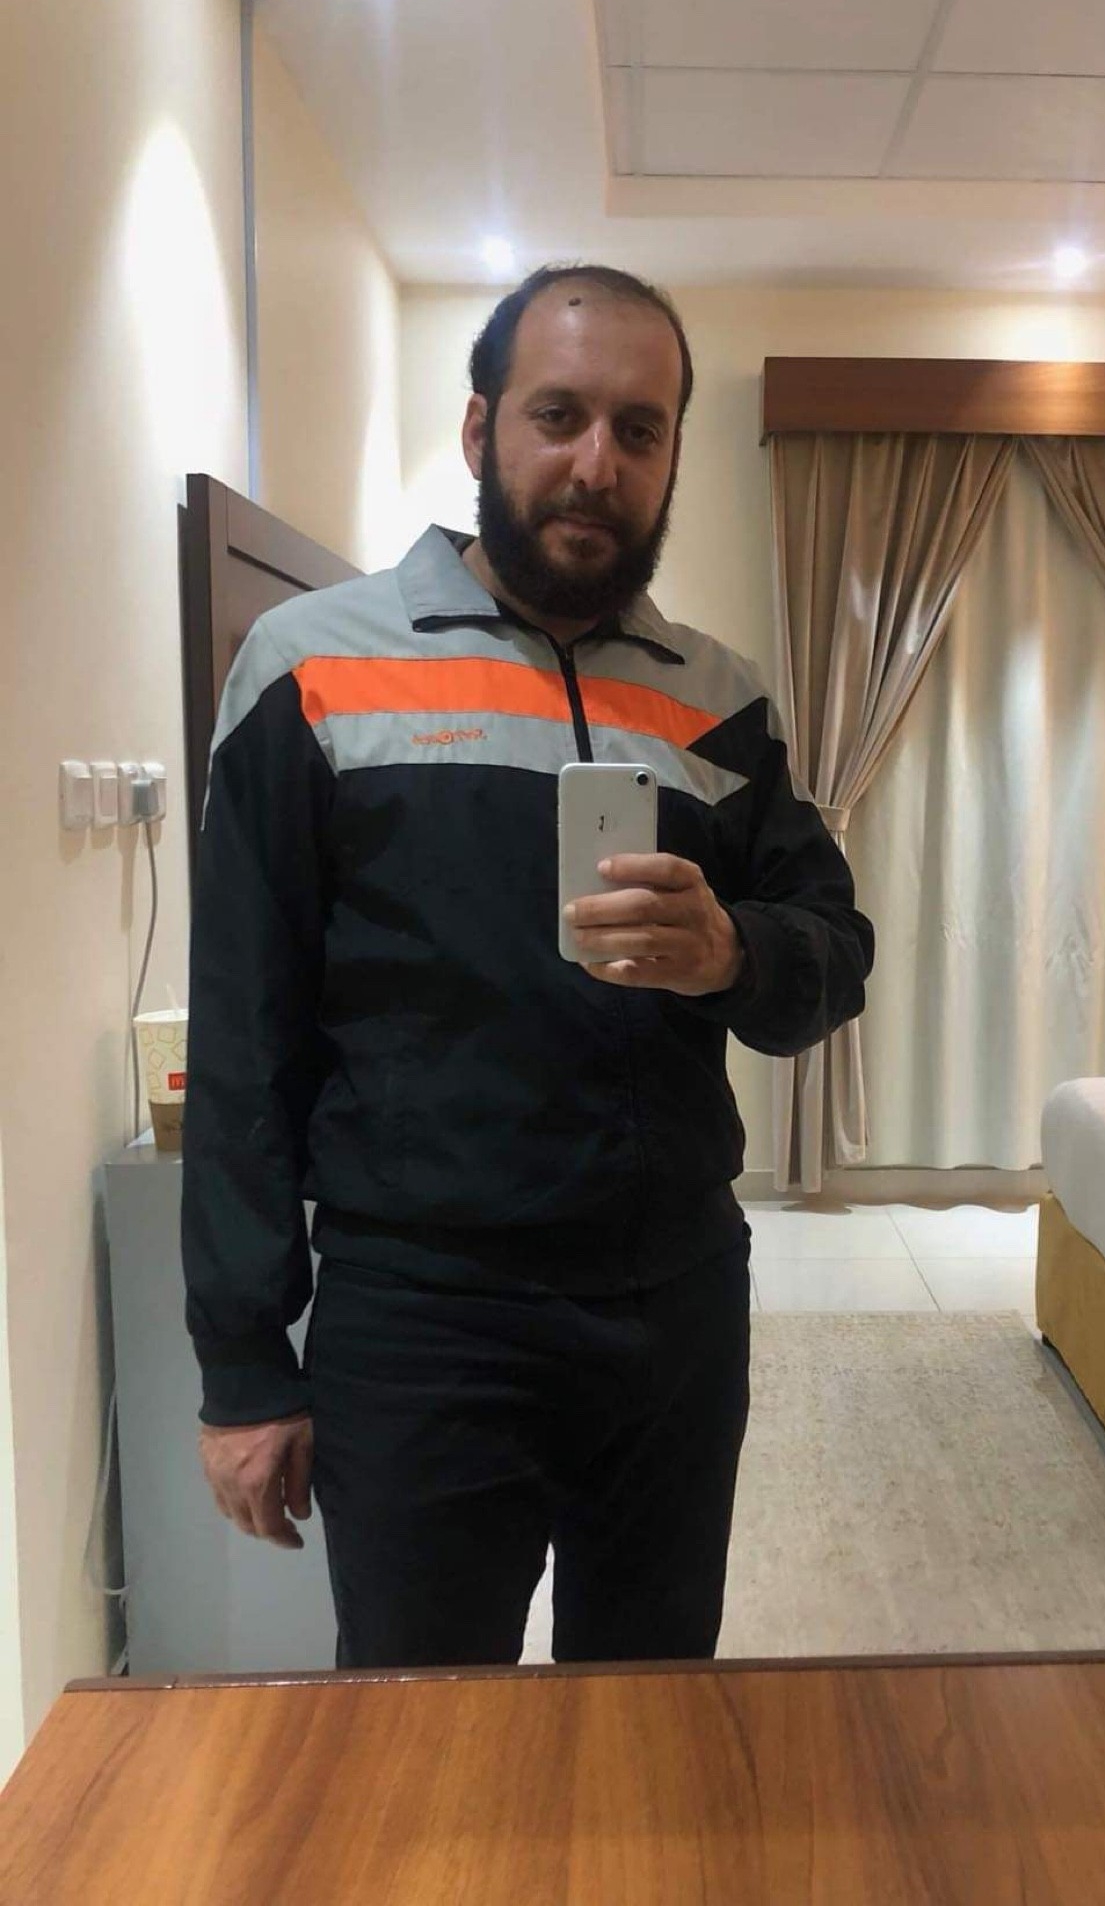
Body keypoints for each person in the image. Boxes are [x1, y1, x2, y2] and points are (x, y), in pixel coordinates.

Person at [182, 263, 875, 1668]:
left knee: (651, 1705)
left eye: (640, 429)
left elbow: (835, 956)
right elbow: (244, 1034)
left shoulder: (719, 699)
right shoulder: (310, 669)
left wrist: (733, 951)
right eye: (558, 415)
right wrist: (246, 1362)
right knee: (428, 1732)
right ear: (479, 428)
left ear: (671, 457)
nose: (595, 464)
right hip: (421, 1317)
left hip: (675, 1303)